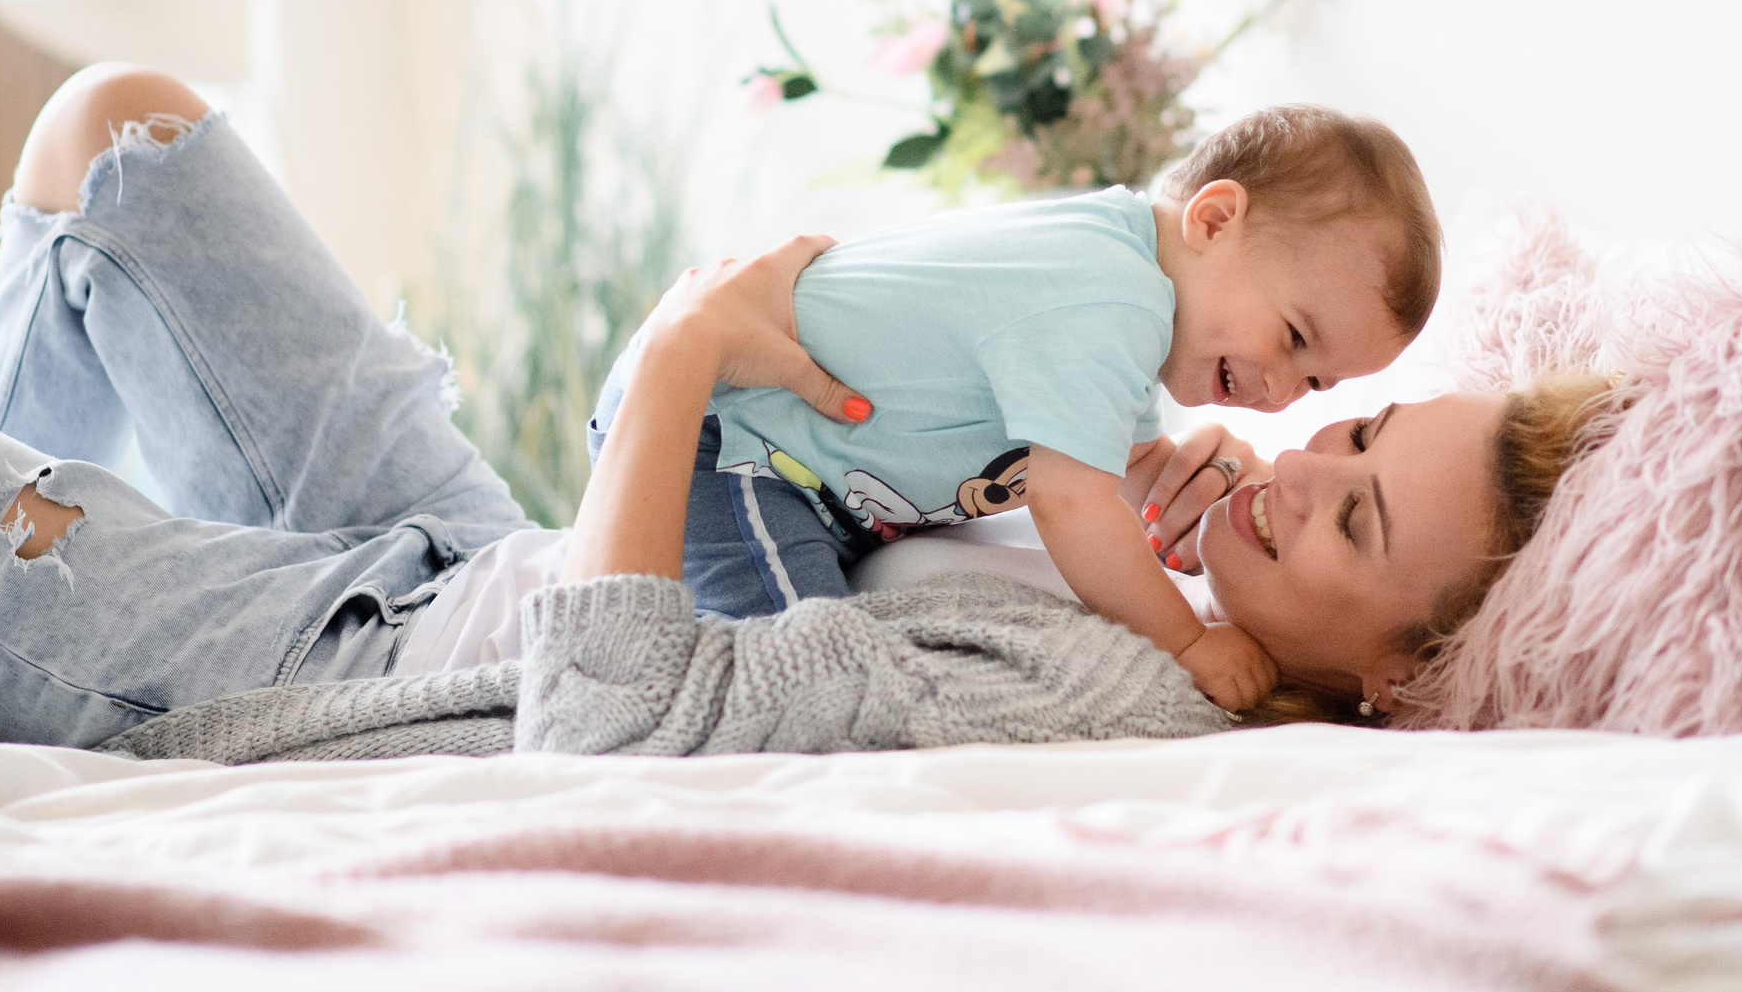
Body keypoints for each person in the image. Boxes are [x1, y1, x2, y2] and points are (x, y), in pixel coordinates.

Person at [0, 66, 1607, 744]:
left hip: (368, 661)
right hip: (466, 541)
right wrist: (1159, 509)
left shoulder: (1131, 699)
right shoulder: (1139, 490)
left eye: (1345, 506)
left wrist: (681, 349)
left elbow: (620, 714)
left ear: (1395, 671)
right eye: (1325, 428)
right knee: (112, 133)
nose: (1284, 453)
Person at [582, 105, 1444, 710]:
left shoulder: (1120, 291)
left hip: (785, 459)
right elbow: (1072, 503)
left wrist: (1206, 499)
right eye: (1294, 336)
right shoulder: (1110, 299)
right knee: (802, 682)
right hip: (733, 437)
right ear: (1215, 220)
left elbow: (1121, 475)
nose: (1284, 392)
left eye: (1319, 384)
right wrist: (1188, 642)